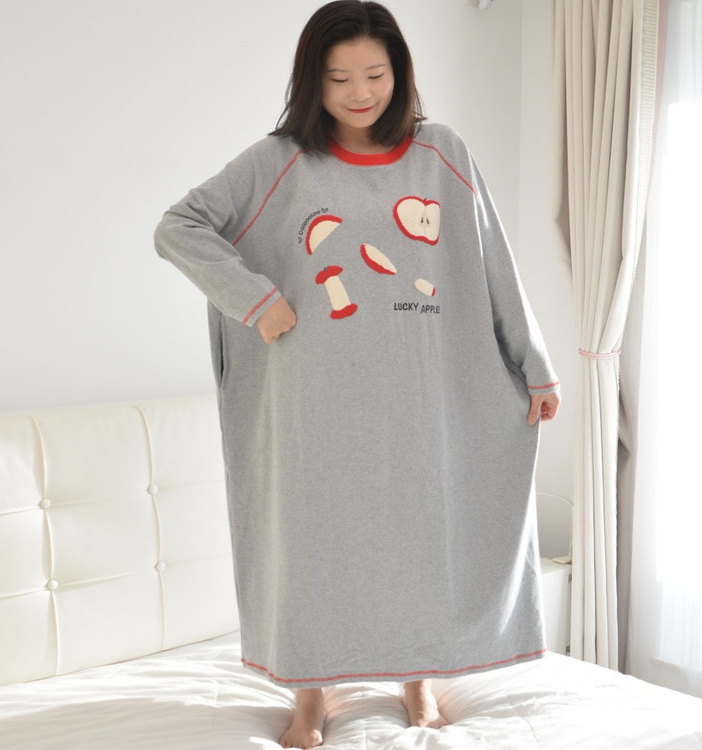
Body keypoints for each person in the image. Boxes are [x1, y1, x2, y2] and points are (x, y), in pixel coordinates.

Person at [154, 2, 560, 747]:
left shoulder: (441, 152)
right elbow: (179, 227)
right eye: (338, 78)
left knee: (423, 533)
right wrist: (256, 300)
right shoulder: (278, 161)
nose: (360, 92)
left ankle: (418, 679)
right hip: (314, 403)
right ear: (312, 80)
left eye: (375, 73)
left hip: (423, 393)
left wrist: (535, 365)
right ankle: (311, 695)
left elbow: (493, 262)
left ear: (400, 72)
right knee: (312, 541)